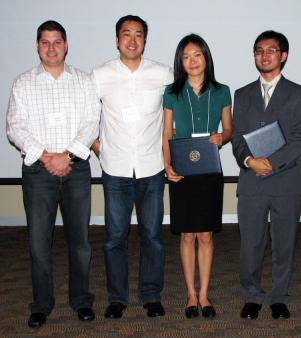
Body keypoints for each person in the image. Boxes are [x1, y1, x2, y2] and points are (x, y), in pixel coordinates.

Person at [6, 20, 100, 328]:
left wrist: (67, 155)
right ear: (37, 46)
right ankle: (41, 304)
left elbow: (91, 123)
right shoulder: (23, 83)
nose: (51, 48)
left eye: (57, 42)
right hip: (38, 171)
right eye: (45, 42)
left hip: (76, 168)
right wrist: (47, 157)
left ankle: (81, 300)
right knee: (38, 242)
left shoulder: (84, 81)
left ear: (66, 45)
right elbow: (14, 127)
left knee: (80, 241)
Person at [91, 15, 173, 319]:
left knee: (152, 236)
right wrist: (101, 148)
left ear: (145, 40)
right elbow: (87, 118)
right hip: (116, 170)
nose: (132, 40)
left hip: (152, 168)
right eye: (126, 34)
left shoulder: (162, 73)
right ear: (117, 39)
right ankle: (118, 298)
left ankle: (151, 296)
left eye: (139, 34)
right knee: (115, 238)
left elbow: (172, 117)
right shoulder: (100, 75)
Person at [232, 30, 301, 320]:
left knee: (284, 242)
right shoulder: (242, 94)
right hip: (251, 179)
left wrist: (272, 163)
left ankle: (279, 297)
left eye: (271, 50)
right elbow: (237, 138)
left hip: (286, 180)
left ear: (283, 55)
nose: (264, 55)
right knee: (250, 243)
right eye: (259, 50)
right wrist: (249, 160)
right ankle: (252, 295)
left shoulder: (299, 93)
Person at [162, 34, 232, 319]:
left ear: (206, 57)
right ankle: (191, 294)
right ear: (181, 61)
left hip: (209, 170)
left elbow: (229, 129)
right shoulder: (171, 91)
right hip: (182, 170)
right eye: (186, 56)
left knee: (205, 235)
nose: (192, 61)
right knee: (187, 235)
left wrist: (221, 136)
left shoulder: (222, 90)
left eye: (197, 55)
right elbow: (167, 132)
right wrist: (167, 165)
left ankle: (205, 295)